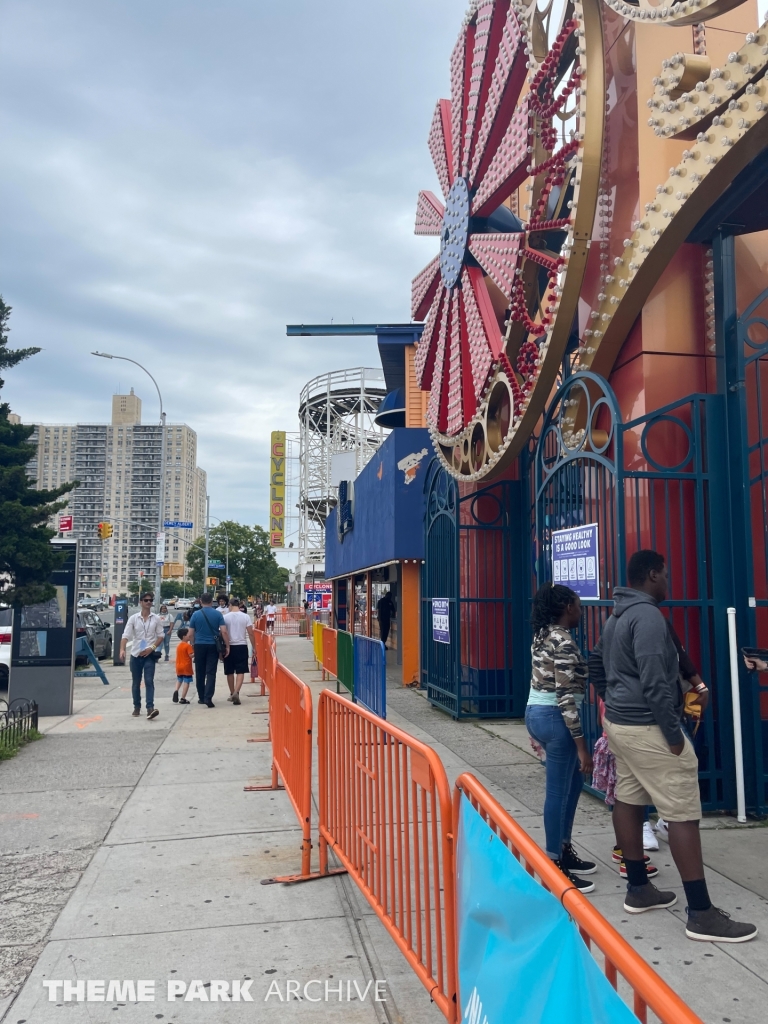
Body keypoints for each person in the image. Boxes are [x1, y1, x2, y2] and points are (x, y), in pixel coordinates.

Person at [590, 549, 757, 941]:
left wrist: (612, 698)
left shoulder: (617, 615)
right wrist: (673, 734)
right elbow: (654, 682)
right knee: (682, 813)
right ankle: (701, 913)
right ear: (652, 575)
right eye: (665, 575)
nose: (668, 581)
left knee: (628, 799)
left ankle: (639, 888)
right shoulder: (647, 616)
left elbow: (595, 662)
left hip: (621, 724)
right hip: (649, 729)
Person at [525, 582, 596, 893]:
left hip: (537, 714)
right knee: (557, 792)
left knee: (573, 784)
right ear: (568, 607)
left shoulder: (543, 635)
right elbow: (566, 697)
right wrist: (583, 748)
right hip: (557, 719)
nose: (581, 611)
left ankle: (564, 847)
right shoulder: (564, 642)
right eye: (578, 605)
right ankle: (553, 862)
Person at [120, 591, 164, 720]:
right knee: (136, 682)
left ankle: (150, 707)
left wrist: (152, 648)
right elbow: (125, 635)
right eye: (146, 600)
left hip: (149, 655)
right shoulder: (134, 618)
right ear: (141, 602)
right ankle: (136, 706)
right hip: (136, 654)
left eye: (150, 600)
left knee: (149, 681)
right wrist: (122, 650)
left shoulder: (156, 618)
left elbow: (161, 636)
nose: (149, 602)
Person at [187, 592, 230, 708]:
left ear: (200, 601)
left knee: (200, 672)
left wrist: (193, 644)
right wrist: (227, 646)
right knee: (211, 672)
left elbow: (190, 634)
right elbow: (224, 631)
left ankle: (201, 697)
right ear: (212, 601)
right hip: (213, 645)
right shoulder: (217, 614)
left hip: (199, 645)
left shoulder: (195, 615)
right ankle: (208, 697)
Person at [223, 597, 255, 704]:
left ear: (230, 605)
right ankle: (237, 692)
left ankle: (232, 693)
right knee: (241, 670)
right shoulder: (245, 617)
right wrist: (254, 647)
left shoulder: (225, 617)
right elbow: (250, 633)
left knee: (230, 671)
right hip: (242, 645)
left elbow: (222, 632)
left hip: (229, 646)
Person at [173, 627, 194, 704]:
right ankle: (183, 698)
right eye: (188, 634)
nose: (190, 635)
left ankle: (176, 690)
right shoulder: (187, 646)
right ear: (184, 636)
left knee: (179, 679)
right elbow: (191, 655)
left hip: (179, 666)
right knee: (186, 682)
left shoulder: (179, 645)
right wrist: (197, 652)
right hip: (186, 666)